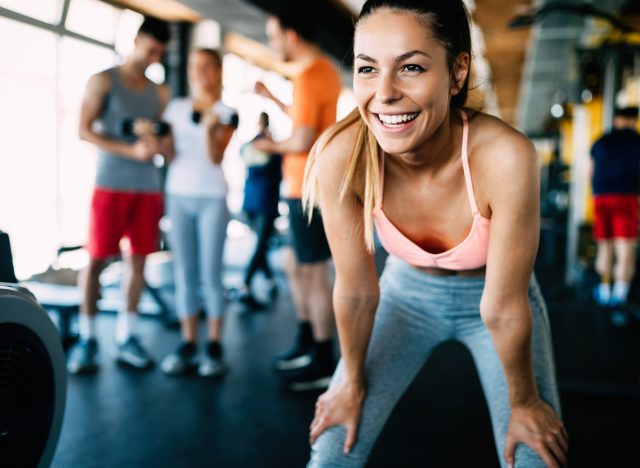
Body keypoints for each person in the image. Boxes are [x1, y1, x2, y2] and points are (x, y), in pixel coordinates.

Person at [303, 1, 568, 466]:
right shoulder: (341, 156)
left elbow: (503, 308)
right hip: (405, 297)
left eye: (410, 67)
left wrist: (525, 403)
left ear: (457, 71)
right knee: (330, 452)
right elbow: (358, 292)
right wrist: (348, 382)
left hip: (497, 298)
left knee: (535, 456)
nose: (383, 93)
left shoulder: (506, 157)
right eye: (367, 69)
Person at [67, 16, 173, 374]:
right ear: (138, 39)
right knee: (96, 260)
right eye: (152, 49)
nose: (155, 58)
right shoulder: (102, 81)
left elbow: (163, 138)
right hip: (110, 184)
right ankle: (87, 338)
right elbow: (83, 131)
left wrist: (158, 144)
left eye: (161, 53)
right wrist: (130, 152)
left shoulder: (159, 92)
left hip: (147, 188)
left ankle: (127, 337)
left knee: (139, 262)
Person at [253, 6, 342, 390]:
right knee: (297, 264)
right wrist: (274, 97)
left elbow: (302, 139)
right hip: (304, 187)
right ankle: (309, 341)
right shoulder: (321, 72)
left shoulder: (308, 76)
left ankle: (323, 358)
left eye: (274, 35)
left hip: (307, 187)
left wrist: (267, 145)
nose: (272, 43)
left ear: (290, 35)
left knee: (314, 271)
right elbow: (306, 121)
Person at [160, 48, 238, 377]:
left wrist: (208, 128)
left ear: (218, 71)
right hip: (178, 194)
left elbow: (215, 157)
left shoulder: (227, 112)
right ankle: (189, 342)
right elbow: (167, 153)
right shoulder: (176, 109)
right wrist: (155, 141)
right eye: (195, 67)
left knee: (210, 273)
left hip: (212, 197)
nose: (200, 73)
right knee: (184, 272)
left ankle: (214, 346)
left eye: (207, 66)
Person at [590, 106, 640, 307]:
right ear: (632, 120)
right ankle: (620, 294)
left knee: (605, 247)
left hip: (601, 198)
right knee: (625, 248)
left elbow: (590, 172)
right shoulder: (637, 141)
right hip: (626, 198)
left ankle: (604, 289)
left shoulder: (601, 141)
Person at [238, 112, 282, 308]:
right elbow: (280, 171)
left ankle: (269, 278)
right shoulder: (271, 146)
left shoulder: (249, 145)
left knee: (261, 244)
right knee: (261, 245)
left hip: (251, 199)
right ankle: (245, 283)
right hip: (265, 201)